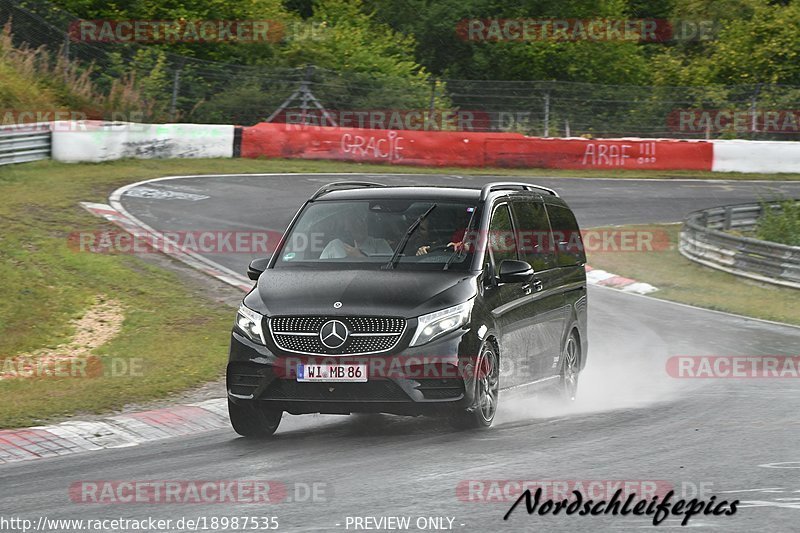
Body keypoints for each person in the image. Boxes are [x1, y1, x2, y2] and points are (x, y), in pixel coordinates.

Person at [320, 210, 392, 259]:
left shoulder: (380, 244)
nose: (360, 225)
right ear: (346, 229)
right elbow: (319, 273)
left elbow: (390, 273)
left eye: (361, 221)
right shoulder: (335, 246)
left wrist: (359, 257)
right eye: (354, 223)